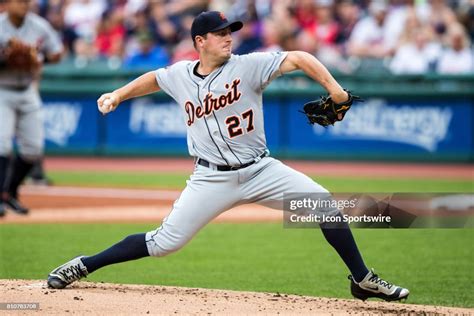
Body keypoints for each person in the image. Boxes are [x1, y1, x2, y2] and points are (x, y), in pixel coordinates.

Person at [47, 11, 409, 302]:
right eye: (221, 33)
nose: (228, 37)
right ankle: (83, 265)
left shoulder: (248, 65)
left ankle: (363, 280)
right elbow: (155, 79)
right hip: (211, 178)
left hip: (261, 169)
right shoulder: (179, 75)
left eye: (230, 31)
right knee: (163, 244)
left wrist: (334, 89)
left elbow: (298, 57)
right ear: (200, 42)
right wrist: (118, 94)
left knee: (323, 206)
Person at [0, 0, 63, 217]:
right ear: (7, 4)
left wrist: (36, 57)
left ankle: (10, 192)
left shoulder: (38, 25)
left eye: (27, 1)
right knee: (1, 145)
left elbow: (57, 53)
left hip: (27, 88)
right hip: (2, 88)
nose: (24, 5)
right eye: (19, 1)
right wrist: (7, 57)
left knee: (33, 149)